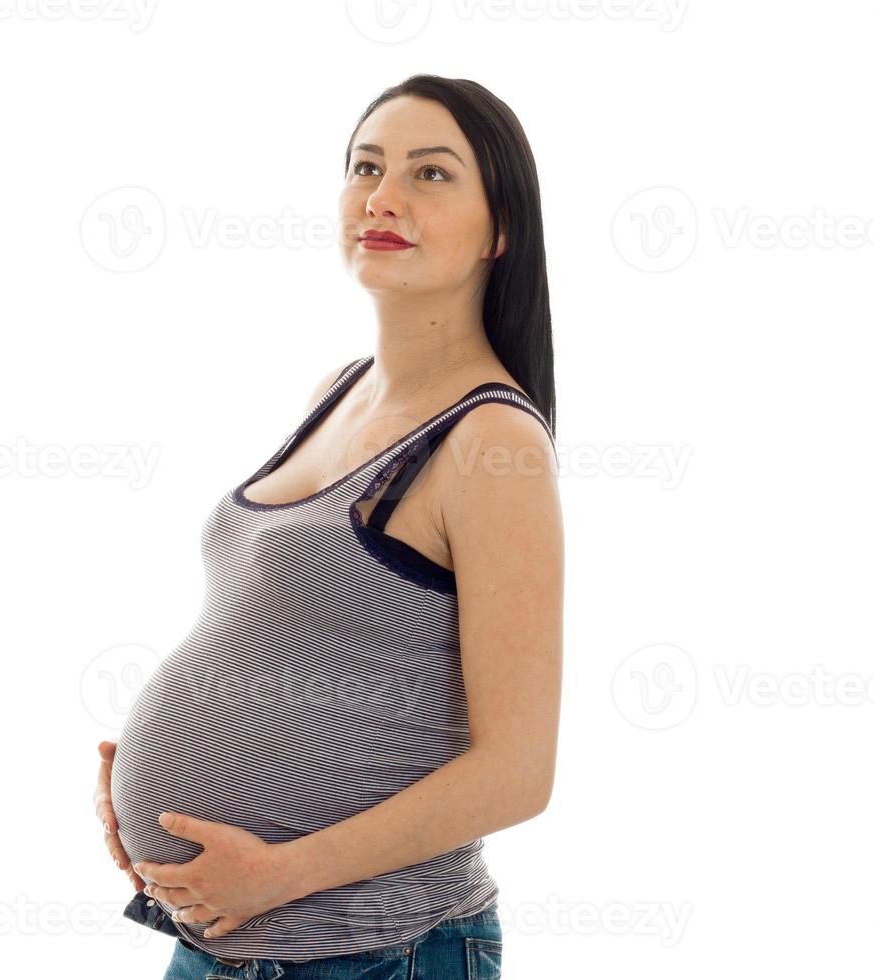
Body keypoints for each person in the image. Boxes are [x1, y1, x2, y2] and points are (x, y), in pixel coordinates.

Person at [92, 73, 563, 978]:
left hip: (372, 952)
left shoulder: (492, 442)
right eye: (366, 166)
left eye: (431, 175)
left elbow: (519, 770)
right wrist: (142, 785)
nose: (382, 197)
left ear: (500, 229)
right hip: (224, 942)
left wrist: (278, 873)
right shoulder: (337, 393)